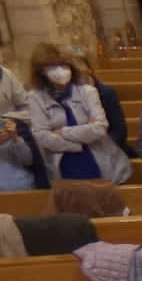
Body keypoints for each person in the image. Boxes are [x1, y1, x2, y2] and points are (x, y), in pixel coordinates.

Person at [23, 44, 131, 184]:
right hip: (64, 164)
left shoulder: (87, 91)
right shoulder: (35, 98)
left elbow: (99, 128)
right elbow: (42, 136)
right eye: (53, 67)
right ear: (41, 71)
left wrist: (63, 132)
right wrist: (80, 143)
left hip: (99, 160)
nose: (60, 71)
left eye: (64, 65)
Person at [72, 60, 131, 157]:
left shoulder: (106, 92)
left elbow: (119, 131)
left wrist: (101, 150)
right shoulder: (67, 96)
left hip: (109, 150)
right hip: (78, 151)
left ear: (89, 70)